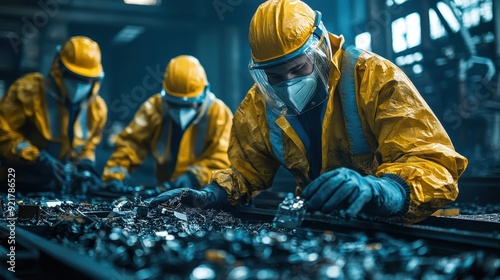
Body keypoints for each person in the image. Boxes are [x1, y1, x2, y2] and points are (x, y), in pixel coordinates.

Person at [149, 0, 468, 224]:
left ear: (320, 49)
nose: (287, 84)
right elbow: (246, 171)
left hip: (400, 223)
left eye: (297, 69)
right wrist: (211, 194)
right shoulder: (258, 106)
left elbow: (433, 163)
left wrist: (385, 191)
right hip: (326, 221)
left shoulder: (374, 78)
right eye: (274, 77)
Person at [102, 55, 233, 193]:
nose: (181, 111)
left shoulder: (219, 114)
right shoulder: (153, 109)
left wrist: (194, 177)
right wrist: (114, 176)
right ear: (164, 95)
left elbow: (222, 158)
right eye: (174, 104)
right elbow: (131, 144)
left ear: (204, 93)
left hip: (205, 195)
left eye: (189, 105)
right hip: (165, 193)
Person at [0, 36, 106, 193]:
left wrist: (86, 162)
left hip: (54, 187)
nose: (78, 85)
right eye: (73, 76)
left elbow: (88, 145)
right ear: (58, 69)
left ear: (96, 80)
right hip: (14, 181)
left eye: (86, 80)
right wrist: (36, 159)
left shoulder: (97, 109)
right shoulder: (27, 90)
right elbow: (3, 132)